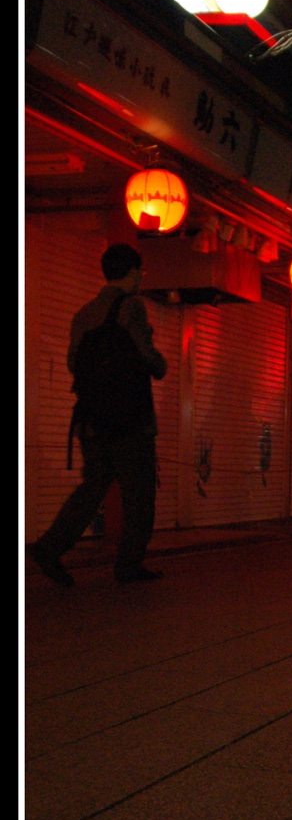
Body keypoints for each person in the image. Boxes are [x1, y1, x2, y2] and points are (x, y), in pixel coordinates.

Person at [27, 243, 167, 586]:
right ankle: (128, 565)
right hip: (131, 420)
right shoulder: (132, 307)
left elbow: (74, 363)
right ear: (132, 273)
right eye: (140, 273)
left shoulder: (83, 313)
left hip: (92, 420)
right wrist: (155, 360)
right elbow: (150, 359)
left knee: (93, 488)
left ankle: (49, 547)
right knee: (139, 493)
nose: (140, 279)